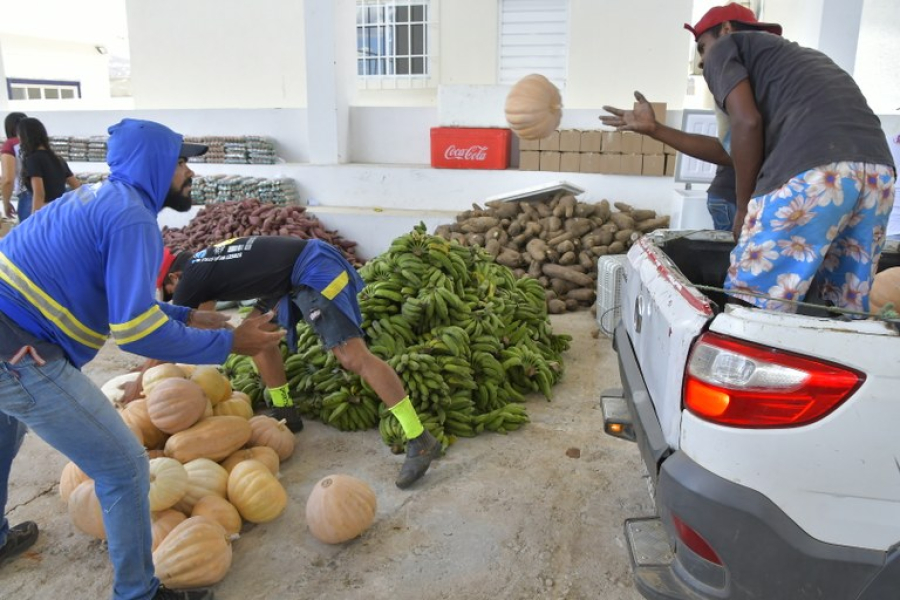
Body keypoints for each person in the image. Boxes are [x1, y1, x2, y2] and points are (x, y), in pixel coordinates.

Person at [0, 118, 284, 600]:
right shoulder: (131, 217)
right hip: (20, 352)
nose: (188, 171)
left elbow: (123, 304)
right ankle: (139, 593)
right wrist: (229, 345)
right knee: (124, 468)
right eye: (180, 161)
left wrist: (187, 315)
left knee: (4, 435)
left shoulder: (104, 199)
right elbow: (134, 332)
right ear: (154, 165)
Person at [601, 3, 895, 314]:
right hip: (879, 176)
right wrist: (656, 129)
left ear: (725, 29)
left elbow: (747, 122)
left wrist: (743, 207)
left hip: (816, 174)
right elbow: (732, 151)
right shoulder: (799, 65)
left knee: (749, 304)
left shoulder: (726, 48)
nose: (702, 62)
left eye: (702, 47)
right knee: (839, 305)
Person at [156, 235, 442, 489]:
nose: (172, 297)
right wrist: (234, 338)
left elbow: (165, 333)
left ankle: (419, 439)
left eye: (168, 291)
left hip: (312, 267)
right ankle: (286, 412)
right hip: (288, 274)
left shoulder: (190, 276)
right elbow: (206, 322)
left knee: (353, 357)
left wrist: (142, 378)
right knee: (260, 336)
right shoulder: (202, 263)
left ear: (173, 277)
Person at [17, 117, 81, 213]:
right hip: (60, 212)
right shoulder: (58, 159)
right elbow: (77, 186)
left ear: (24, 136)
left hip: (46, 213)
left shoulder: (33, 159)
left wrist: (34, 218)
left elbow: (39, 193)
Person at [0, 112, 28, 220]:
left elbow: (8, 179)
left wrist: (6, 203)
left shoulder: (10, 144)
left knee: (27, 235)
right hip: (51, 193)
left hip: (27, 195)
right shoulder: (37, 143)